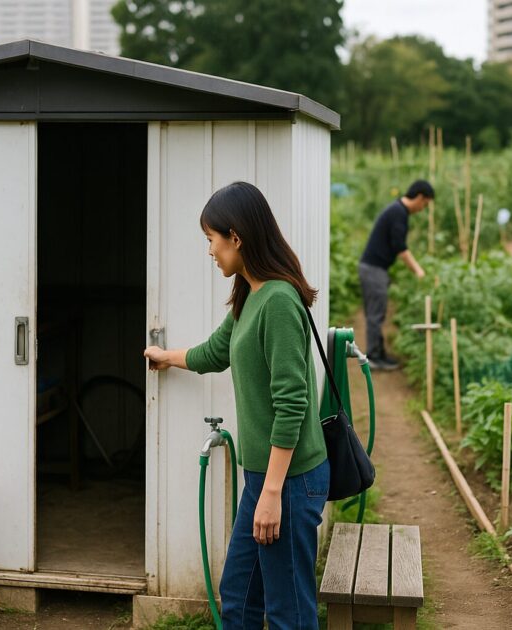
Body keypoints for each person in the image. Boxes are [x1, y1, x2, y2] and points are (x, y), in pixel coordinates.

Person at [143, 181, 329, 630]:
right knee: (239, 597)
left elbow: (293, 403)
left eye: (212, 240)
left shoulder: (279, 301)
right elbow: (215, 352)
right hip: (264, 476)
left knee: (288, 610)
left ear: (237, 237)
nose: (210, 252)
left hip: (289, 478)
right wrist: (165, 356)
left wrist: (271, 495)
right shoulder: (251, 295)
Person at [359, 179, 434, 371]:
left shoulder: (397, 210)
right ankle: (374, 358)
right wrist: (418, 270)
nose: (423, 208)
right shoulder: (399, 213)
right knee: (376, 315)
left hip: (373, 268)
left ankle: (379, 353)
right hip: (374, 269)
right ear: (419, 197)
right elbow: (401, 249)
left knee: (376, 313)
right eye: (425, 204)